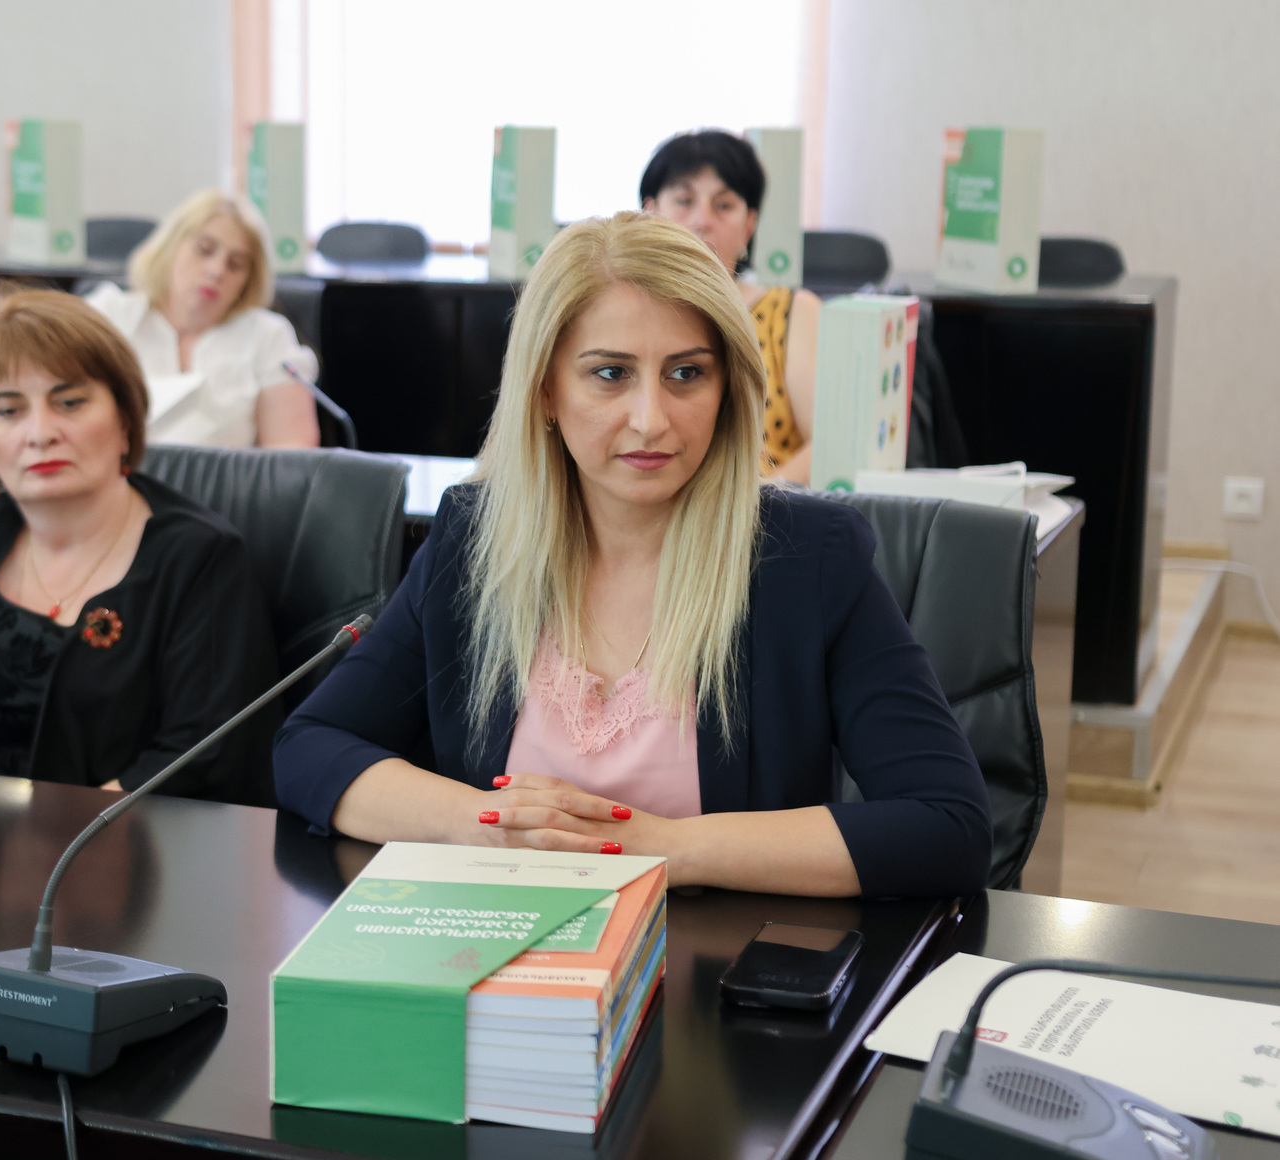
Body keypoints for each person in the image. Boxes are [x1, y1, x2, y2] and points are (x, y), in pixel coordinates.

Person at [273, 213, 991, 898]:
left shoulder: (806, 559)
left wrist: (667, 848)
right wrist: (484, 824)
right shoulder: (476, 540)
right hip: (500, 953)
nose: (651, 419)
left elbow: (945, 826)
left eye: (687, 374)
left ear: (727, 390)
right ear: (546, 390)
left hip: (715, 966)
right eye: (611, 373)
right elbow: (312, 747)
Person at [0, 287, 281, 804]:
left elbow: (204, 759)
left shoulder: (199, 558)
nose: (40, 433)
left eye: (70, 403)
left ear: (125, 419)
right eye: (8, 410)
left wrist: (59, 835)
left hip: (103, 841)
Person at [640, 130, 818, 484]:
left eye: (723, 206)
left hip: (767, 508)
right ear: (650, 212)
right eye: (684, 200)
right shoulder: (620, 309)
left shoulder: (791, 310)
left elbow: (827, 444)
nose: (702, 221)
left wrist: (746, 506)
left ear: (749, 224)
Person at [83, 189, 318, 449]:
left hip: (227, 477)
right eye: (205, 250)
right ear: (171, 247)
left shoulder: (268, 336)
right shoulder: (108, 315)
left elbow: (292, 452)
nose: (216, 271)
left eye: (235, 264)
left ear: (248, 280)